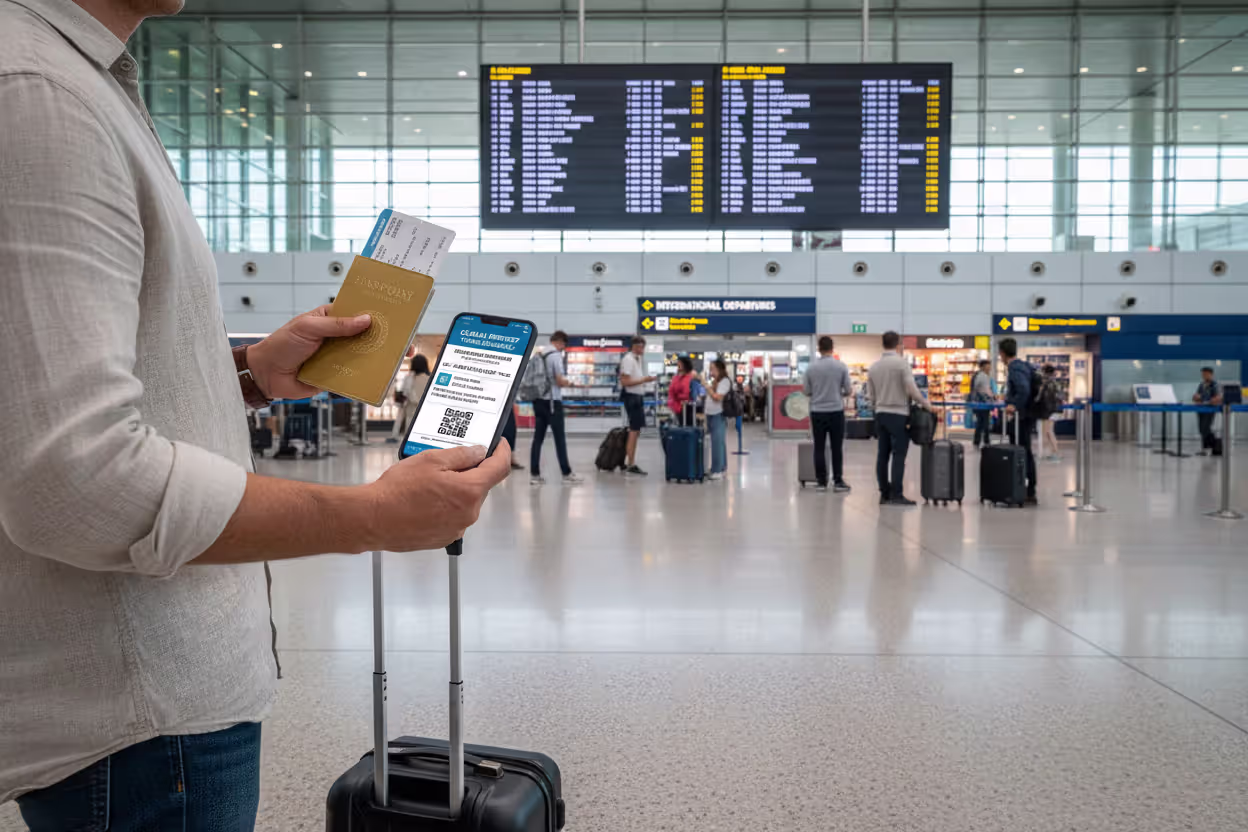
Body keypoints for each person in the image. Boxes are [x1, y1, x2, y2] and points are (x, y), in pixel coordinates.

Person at [0, 0, 512, 823]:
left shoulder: (79, 78)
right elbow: (75, 482)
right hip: (143, 713)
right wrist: (373, 516)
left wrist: (245, 373)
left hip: (152, 694)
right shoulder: (37, 93)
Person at [867, 331, 931, 506]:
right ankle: (897, 494)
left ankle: (884, 493)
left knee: (882, 455)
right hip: (899, 415)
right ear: (898, 345)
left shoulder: (874, 367)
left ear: (883, 344)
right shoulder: (902, 365)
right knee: (899, 455)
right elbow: (912, 390)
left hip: (880, 414)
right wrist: (927, 406)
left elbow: (870, 396)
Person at [530, 330, 583, 486]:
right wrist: (571, 383)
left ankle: (534, 475)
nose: (563, 348)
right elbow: (559, 381)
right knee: (559, 438)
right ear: (560, 342)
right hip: (552, 402)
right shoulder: (555, 356)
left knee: (537, 439)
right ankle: (566, 473)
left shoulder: (539, 355)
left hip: (538, 400)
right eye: (563, 345)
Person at [804, 336, 853, 493]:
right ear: (832, 349)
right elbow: (849, 390)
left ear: (818, 348)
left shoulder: (811, 368)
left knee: (819, 447)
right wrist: (837, 393)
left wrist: (818, 393)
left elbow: (806, 391)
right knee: (836, 447)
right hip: (836, 411)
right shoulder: (841, 367)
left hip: (817, 411)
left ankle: (821, 482)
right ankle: (838, 481)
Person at [1000, 337, 1038, 505]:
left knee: (1021, 451)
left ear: (1002, 353)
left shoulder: (1014, 368)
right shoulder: (1024, 365)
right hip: (1027, 415)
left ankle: (1025, 488)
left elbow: (1023, 389)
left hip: (1021, 417)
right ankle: (1028, 488)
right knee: (1025, 451)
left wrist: (1013, 405)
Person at [618, 335, 656, 476]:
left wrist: (644, 380)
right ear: (635, 346)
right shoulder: (628, 360)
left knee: (636, 430)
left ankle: (630, 461)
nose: (643, 349)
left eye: (643, 347)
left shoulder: (637, 359)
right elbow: (625, 382)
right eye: (641, 347)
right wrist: (643, 380)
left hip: (637, 397)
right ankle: (631, 463)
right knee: (634, 431)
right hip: (631, 398)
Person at [388, 354, 431, 443]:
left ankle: (404, 440)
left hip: (411, 406)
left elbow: (406, 391)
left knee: (409, 425)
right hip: (425, 408)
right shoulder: (430, 378)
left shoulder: (410, 377)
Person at [704, 359, 733, 481]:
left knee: (717, 443)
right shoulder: (717, 381)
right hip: (711, 414)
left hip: (718, 414)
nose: (711, 372)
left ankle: (717, 471)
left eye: (713, 369)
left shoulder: (725, 381)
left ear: (720, 369)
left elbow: (717, 397)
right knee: (718, 442)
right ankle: (720, 467)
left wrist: (705, 385)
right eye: (710, 369)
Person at [1193, 366, 1223, 455]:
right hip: (1201, 409)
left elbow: (1217, 398)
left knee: (1205, 428)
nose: (1204, 376)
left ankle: (1215, 445)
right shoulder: (1201, 385)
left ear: (1211, 374)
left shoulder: (1215, 385)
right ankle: (1206, 448)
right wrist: (1196, 397)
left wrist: (1202, 398)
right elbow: (1196, 396)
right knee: (1201, 429)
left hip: (1209, 410)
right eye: (1203, 374)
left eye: (1205, 374)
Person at [970, 359, 995, 450]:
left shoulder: (978, 375)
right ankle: (986, 441)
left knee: (980, 422)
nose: (990, 368)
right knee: (985, 422)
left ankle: (977, 441)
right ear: (983, 366)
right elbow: (984, 390)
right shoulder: (983, 376)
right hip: (982, 403)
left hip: (977, 403)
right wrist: (992, 398)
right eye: (988, 366)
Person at [1040, 364, 1063, 462]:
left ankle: (1055, 452)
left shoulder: (1047, 383)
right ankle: (1053, 452)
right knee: (1049, 431)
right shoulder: (1056, 383)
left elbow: (1044, 397)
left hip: (1050, 410)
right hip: (1056, 409)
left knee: (1048, 431)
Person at [668, 355, 696, 426]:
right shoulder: (676, 377)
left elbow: (686, 394)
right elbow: (671, 390)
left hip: (687, 407)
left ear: (685, 364)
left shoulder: (690, 376)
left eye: (680, 363)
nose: (678, 364)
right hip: (676, 406)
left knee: (686, 427)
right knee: (679, 426)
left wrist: (676, 395)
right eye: (678, 362)